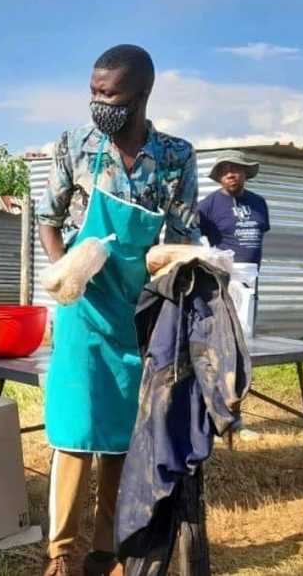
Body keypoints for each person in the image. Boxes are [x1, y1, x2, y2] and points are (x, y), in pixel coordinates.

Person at [36, 44, 199, 576]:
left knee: (121, 438)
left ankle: (105, 549)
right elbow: (48, 218)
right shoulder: (74, 146)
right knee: (74, 431)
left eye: (111, 94)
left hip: (138, 316)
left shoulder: (175, 157)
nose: (99, 102)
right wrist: (66, 270)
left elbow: (180, 237)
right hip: (81, 309)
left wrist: (167, 282)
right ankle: (60, 551)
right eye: (93, 92)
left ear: (143, 94)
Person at [197, 149, 269, 266]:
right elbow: (195, 243)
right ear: (219, 177)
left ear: (245, 173)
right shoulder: (206, 206)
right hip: (221, 275)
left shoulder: (259, 203)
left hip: (251, 275)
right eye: (224, 172)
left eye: (235, 169)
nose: (230, 175)